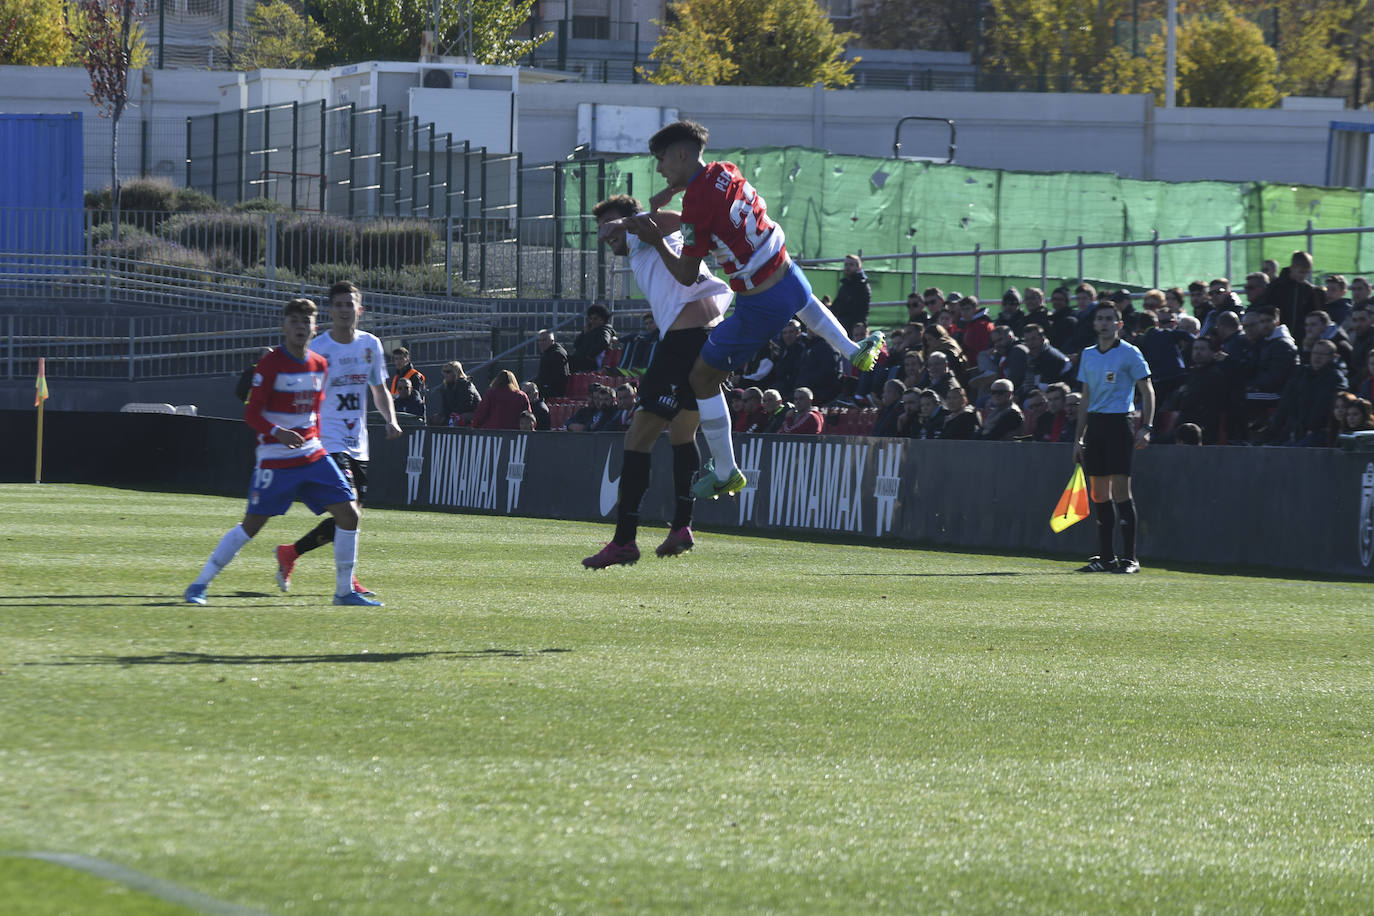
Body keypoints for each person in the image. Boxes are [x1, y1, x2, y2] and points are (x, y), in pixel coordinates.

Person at [612, 119, 884, 502]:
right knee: (805, 303)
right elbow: (703, 191)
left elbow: (687, 275)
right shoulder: (725, 170)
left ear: (681, 153)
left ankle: (725, 471)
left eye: (661, 160)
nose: (659, 169)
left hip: (760, 302)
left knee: (702, 379)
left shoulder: (695, 206)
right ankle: (852, 349)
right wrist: (674, 191)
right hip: (787, 271)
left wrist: (658, 241)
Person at [184, 298, 382, 607]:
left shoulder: (320, 363)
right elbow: (252, 415)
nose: (300, 327)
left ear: (314, 328)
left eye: (305, 322)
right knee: (251, 526)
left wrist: (313, 438)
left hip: (313, 454)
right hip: (276, 459)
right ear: (284, 327)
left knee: (349, 514)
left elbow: (314, 412)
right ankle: (199, 584)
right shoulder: (271, 363)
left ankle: (344, 592)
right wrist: (278, 432)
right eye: (294, 321)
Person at [583, 193, 734, 569]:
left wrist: (626, 223)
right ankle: (682, 526)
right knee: (683, 435)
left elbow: (677, 217)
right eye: (601, 227)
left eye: (610, 224)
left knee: (637, 439)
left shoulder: (642, 233)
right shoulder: (649, 244)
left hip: (685, 344)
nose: (605, 234)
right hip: (707, 340)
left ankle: (624, 541)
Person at [273, 281, 403, 600]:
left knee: (352, 515)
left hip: (359, 440)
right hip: (328, 439)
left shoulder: (370, 344)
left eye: (351, 304)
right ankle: (346, 586)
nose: (345, 310)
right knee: (350, 512)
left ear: (360, 309)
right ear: (331, 310)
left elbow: (378, 389)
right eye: (339, 305)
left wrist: (391, 419)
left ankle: (291, 553)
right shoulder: (319, 348)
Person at [1073, 302, 1155, 574]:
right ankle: (1106, 557)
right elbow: (1085, 398)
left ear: (1119, 324)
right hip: (1096, 425)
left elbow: (1147, 390)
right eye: (1100, 319)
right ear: (1095, 324)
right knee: (1098, 494)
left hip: (1120, 423)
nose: (1105, 323)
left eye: (1110, 319)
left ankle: (1130, 559)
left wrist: (1147, 426)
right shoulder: (1088, 355)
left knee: (1121, 491)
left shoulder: (1130, 353)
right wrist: (1079, 438)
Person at [431, 360, 481, 427]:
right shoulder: (445, 387)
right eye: (444, 371)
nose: (445, 374)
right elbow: (445, 408)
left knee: (458, 419)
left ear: (456, 372)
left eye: (448, 372)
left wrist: (453, 414)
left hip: (473, 413)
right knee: (435, 419)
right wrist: (441, 416)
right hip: (456, 413)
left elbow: (466, 404)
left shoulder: (465, 384)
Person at [832, 254, 871, 333]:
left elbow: (861, 312)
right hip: (842, 326)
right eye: (846, 264)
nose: (847, 267)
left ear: (858, 267)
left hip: (854, 329)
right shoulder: (845, 286)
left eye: (851, 265)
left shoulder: (862, 286)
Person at [570, 304, 615, 372]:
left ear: (603, 319)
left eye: (595, 319)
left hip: (591, 364)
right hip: (581, 360)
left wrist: (590, 355)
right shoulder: (590, 330)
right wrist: (584, 334)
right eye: (590, 318)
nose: (592, 321)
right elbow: (576, 345)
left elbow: (604, 342)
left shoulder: (605, 330)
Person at [534, 329, 570, 398]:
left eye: (544, 340)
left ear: (552, 341)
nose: (541, 343)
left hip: (554, 391)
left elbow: (558, 378)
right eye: (540, 340)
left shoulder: (557, 354)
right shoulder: (547, 353)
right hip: (547, 387)